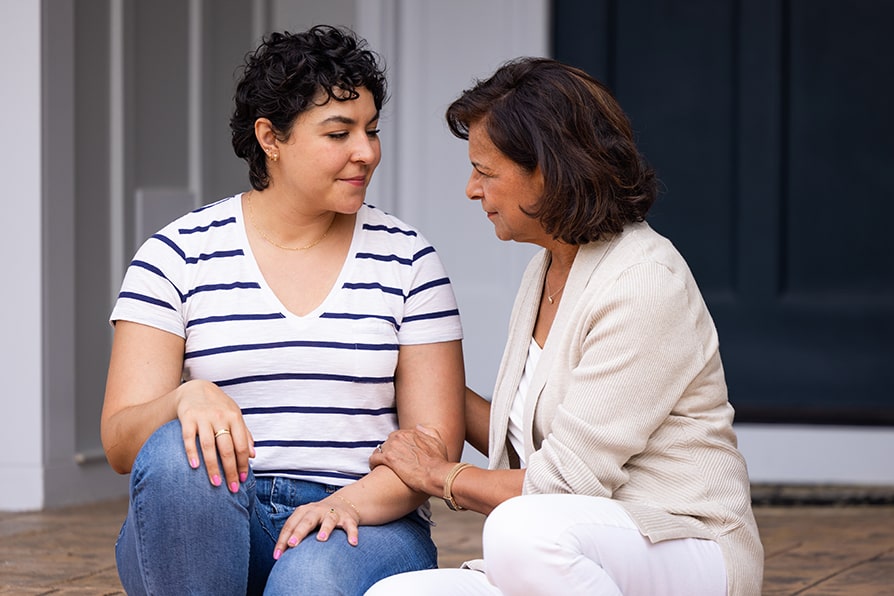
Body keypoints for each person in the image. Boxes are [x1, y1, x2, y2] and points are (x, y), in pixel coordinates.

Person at [365, 57, 764, 595]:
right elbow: (527, 440)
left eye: (485, 171)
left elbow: (560, 484)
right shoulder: (548, 267)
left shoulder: (643, 281)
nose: (470, 189)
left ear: (550, 171)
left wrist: (436, 475)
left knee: (521, 531)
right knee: (399, 594)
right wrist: (399, 362)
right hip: (579, 547)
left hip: (684, 547)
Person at [101, 25, 465, 595]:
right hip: (219, 520)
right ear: (271, 137)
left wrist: (345, 503)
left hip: (363, 524)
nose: (366, 152)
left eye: (371, 131)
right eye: (339, 133)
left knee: (310, 581)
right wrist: (183, 397)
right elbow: (123, 443)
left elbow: (434, 445)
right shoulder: (177, 252)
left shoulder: (407, 258)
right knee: (174, 452)